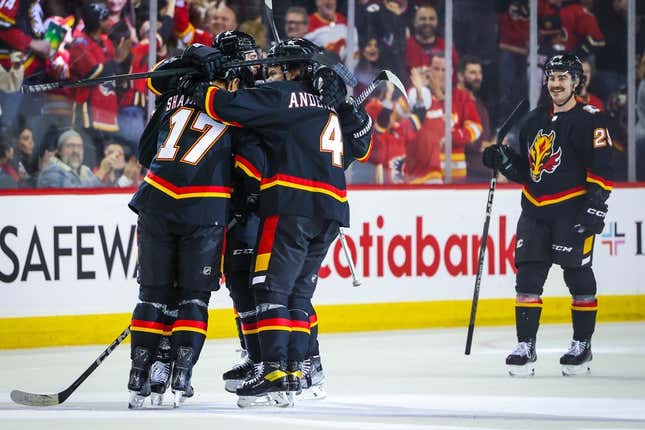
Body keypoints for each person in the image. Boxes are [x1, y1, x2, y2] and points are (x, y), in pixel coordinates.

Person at [187, 37, 373, 407]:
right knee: (297, 295)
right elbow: (361, 146)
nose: (269, 74)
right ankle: (294, 370)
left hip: (291, 204)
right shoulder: (329, 103)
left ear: (292, 69)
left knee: (270, 289)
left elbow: (221, 105)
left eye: (275, 68)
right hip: (332, 210)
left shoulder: (282, 97)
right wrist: (348, 105)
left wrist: (199, 83)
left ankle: (274, 370)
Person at [482, 53, 613, 377]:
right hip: (535, 211)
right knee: (527, 278)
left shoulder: (591, 119)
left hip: (572, 210)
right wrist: (504, 161)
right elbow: (530, 173)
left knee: (577, 277)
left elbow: (602, 169)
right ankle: (526, 345)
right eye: (552, 78)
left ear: (576, 82)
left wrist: (596, 205)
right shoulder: (533, 120)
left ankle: (582, 344)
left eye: (563, 78)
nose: (556, 84)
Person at [125, 47, 239, 408]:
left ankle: (139, 375)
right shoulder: (238, 104)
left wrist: (190, 60)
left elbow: (146, 152)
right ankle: (180, 374)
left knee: (153, 297)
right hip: (204, 207)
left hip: (156, 198)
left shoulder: (175, 92)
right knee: (192, 297)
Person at [457, 55, 494, 183]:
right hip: (466, 175)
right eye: (472, 73)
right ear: (461, 76)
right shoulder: (455, 101)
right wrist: (486, 146)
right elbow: (457, 136)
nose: (477, 77)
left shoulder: (479, 104)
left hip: (483, 173)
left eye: (479, 73)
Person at [37, 129, 103, 188]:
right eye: (70, 146)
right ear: (59, 151)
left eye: (79, 146)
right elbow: (71, 194)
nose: (76, 151)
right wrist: (101, 173)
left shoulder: (86, 171)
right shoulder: (50, 172)